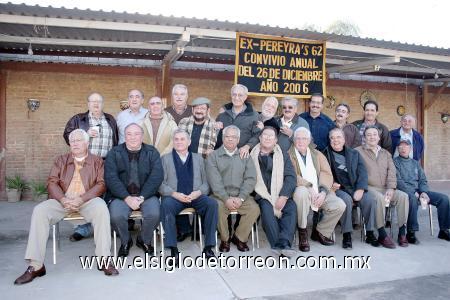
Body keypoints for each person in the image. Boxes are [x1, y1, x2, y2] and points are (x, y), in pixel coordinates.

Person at [14, 129, 118, 285]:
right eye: (72, 141)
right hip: (62, 200)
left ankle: (104, 260)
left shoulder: (97, 161)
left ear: (87, 143)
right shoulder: (60, 160)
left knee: (101, 208)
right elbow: (52, 182)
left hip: (87, 201)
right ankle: (36, 265)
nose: (75, 143)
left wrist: (82, 199)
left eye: (78, 140)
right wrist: (62, 199)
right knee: (40, 210)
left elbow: (101, 184)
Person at [63, 92, 118, 242]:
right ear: (88, 104)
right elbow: (67, 135)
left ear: (103, 104)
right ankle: (82, 229)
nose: (96, 104)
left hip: (107, 161)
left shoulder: (110, 119)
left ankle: (107, 225)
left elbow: (116, 139)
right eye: (93, 101)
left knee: (106, 193)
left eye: (99, 101)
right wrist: (85, 134)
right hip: (86, 162)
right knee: (85, 193)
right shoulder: (78, 119)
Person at [159, 129, 218, 262]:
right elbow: (160, 184)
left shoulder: (198, 159)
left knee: (212, 204)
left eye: (182, 139)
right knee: (165, 205)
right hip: (175, 197)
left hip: (195, 196)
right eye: (176, 139)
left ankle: (208, 247)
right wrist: (174, 194)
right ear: (173, 142)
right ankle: (173, 248)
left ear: (189, 142)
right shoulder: (165, 159)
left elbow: (206, 182)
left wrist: (198, 192)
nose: (179, 142)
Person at [105, 123, 163, 257]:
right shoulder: (114, 153)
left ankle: (144, 240)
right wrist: (127, 198)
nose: (133, 137)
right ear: (124, 136)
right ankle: (126, 241)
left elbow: (156, 177)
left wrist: (142, 197)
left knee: (154, 214)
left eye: (137, 134)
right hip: (121, 196)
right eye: (129, 134)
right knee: (116, 215)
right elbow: (111, 178)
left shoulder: (152, 152)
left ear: (142, 136)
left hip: (146, 195)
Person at [289, 127, 346, 251]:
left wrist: (323, 192)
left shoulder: (317, 154)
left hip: (320, 190)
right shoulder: (288, 155)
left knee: (339, 205)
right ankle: (302, 231)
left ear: (309, 140)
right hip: (300, 190)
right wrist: (309, 187)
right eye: (298, 138)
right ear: (293, 140)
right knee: (301, 193)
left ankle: (320, 232)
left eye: (304, 138)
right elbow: (291, 175)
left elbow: (326, 173)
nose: (301, 141)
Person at [206, 125, 260, 252]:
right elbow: (215, 182)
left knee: (254, 209)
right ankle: (225, 239)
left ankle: (239, 237)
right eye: (227, 136)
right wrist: (226, 199)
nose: (230, 139)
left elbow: (250, 179)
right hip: (220, 196)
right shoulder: (213, 156)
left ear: (238, 139)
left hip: (241, 196)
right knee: (216, 207)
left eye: (233, 137)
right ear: (223, 138)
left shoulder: (245, 156)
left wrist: (241, 198)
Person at [323, 128, 379, 249]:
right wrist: (331, 183)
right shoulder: (325, 154)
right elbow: (321, 173)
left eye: (338, 137)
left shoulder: (354, 153)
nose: (335, 140)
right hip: (338, 189)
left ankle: (370, 233)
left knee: (369, 199)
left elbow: (362, 172)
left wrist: (360, 189)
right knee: (346, 201)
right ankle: (347, 235)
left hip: (355, 187)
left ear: (344, 139)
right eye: (332, 138)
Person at [356, 126, 409, 248]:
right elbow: (355, 172)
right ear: (364, 138)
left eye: (374, 134)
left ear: (379, 137)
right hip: (369, 187)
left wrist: (391, 188)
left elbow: (392, 172)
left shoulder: (386, 153)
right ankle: (381, 233)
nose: (372, 137)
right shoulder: (357, 152)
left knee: (403, 196)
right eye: (368, 135)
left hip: (386, 187)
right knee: (379, 198)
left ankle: (402, 232)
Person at [250, 127, 297, 257]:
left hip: (280, 192)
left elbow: (291, 177)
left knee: (291, 207)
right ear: (260, 138)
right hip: (262, 194)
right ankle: (279, 244)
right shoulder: (251, 155)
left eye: (271, 136)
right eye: (265, 135)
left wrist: (284, 196)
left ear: (276, 140)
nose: (267, 138)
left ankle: (283, 241)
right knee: (267, 209)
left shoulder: (283, 155)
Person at [394, 139, 450, 243]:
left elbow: (423, 179)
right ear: (397, 149)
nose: (403, 148)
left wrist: (423, 192)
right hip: (406, 192)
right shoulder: (395, 162)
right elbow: (398, 181)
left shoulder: (415, 163)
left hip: (420, 191)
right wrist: (413, 192)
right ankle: (411, 232)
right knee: (412, 199)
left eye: (406, 146)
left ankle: (444, 230)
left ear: (410, 148)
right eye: (400, 146)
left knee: (444, 199)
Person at [215, 84, 261, 158]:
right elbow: (215, 135)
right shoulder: (222, 115)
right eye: (234, 94)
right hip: (223, 157)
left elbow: (257, 135)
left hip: (242, 157)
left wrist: (248, 146)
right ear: (231, 96)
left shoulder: (254, 116)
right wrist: (214, 126)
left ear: (245, 97)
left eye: (240, 95)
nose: (236, 98)